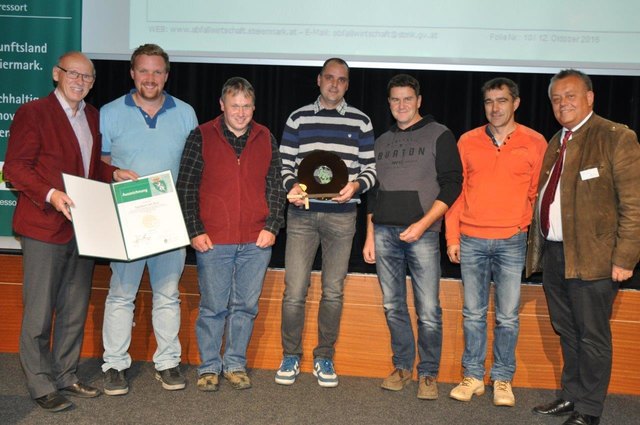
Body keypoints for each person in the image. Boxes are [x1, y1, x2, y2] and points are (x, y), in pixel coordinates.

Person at [4, 52, 137, 412]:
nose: (80, 82)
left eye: (88, 77)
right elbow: (15, 168)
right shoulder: (33, 113)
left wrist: (114, 174)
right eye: (73, 74)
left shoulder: (91, 116)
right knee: (39, 312)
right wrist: (51, 194)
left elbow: (88, 168)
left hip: (84, 228)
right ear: (56, 74)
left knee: (74, 308)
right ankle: (40, 383)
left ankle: (65, 374)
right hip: (43, 225)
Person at [527, 69, 640, 425]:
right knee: (568, 330)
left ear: (590, 97)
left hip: (596, 259)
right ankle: (571, 396)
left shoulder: (615, 137)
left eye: (570, 96)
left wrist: (624, 258)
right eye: (557, 99)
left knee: (592, 336)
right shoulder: (556, 140)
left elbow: (634, 205)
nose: (563, 104)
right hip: (557, 254)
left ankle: (589, 409)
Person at [99, 44, 198, 395]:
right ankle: (114, 364)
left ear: (166, 76)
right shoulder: (109, 113)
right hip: (127, 219)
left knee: (168, 295)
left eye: (157, 71)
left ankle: (168, 362)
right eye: (144, 70)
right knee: (121, 295)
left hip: (169, 221)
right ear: (132, 73)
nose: (150, 78)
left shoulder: (186, 113)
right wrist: (112, 173)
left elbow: (193, 168)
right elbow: (99, 163)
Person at [177, 77, 286, 392]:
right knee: (213, 306)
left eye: (246, 106)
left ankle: (235, 364)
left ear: (254, 107)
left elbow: (276, 186)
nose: (241, 112)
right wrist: (194, 231)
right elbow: (186, 187)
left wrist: (272, 226)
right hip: (213, 239)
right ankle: (209, 367)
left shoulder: (266, 137)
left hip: (257, 241)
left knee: (245, 307)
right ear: (222, 105)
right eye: (234, 105)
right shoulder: (200, 136)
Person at [445, 78, 547, 407]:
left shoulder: (535, 142)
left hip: (511, 240)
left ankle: (502, 379)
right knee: (473, 314)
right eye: (489, 101)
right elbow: (455, 193)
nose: (495, 108)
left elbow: (537, 194)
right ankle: (473, 376)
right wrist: (452, 236)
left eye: (502, 101)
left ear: (516, 103)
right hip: (472, 238)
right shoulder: (467, 141)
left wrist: (521, 226)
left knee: (507, 317)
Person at [274, 58, 376, 388]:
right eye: (329, 78)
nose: (334, 84)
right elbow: (284, 163)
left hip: (342, 217)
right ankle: (290, 354)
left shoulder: (361, 122)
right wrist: (291, 186)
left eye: (341, 80)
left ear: (347, 85)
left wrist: (356, 186)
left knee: (333, 292)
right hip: (302, 215)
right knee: (295, 291)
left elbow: (370, 170)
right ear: (318, 80)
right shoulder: (298, 117)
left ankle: (324, 356)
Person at [363, 74, 462, 399]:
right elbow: (373, 193)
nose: (401, 105)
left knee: (428, 309)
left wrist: (424, 224)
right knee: (393, 305)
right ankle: (403, 366)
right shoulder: (381, 141)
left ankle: (428, 374)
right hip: (384, 233)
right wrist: (369, 235)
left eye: (407, 99)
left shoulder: (440, 134)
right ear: (389, 104)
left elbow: (452, 184)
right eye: (395, 100)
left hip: (423, 234)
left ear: (419, 101)